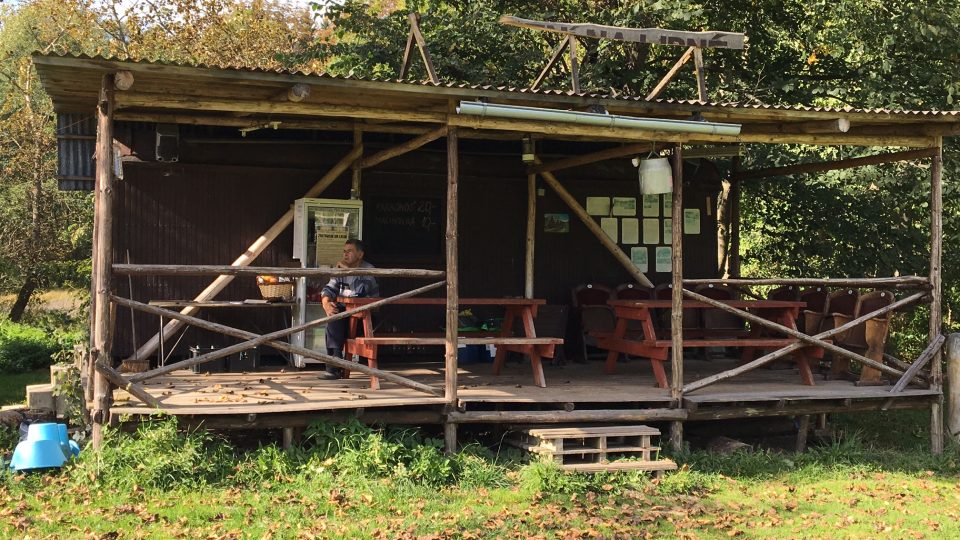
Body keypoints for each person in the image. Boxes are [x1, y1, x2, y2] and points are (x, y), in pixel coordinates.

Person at [319, 239, 379, 379]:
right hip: (346, 315)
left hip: (366, 318)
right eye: (344, 251)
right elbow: (329, 289)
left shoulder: (369, 270)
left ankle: (335, 365)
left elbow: (359, 292)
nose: (345, 254)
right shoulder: (340, 269)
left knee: (340, 318)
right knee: (334, 316)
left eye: (350, 251)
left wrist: (347, 271)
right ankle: (334, 365)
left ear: (360, 254)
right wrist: (325, 303)